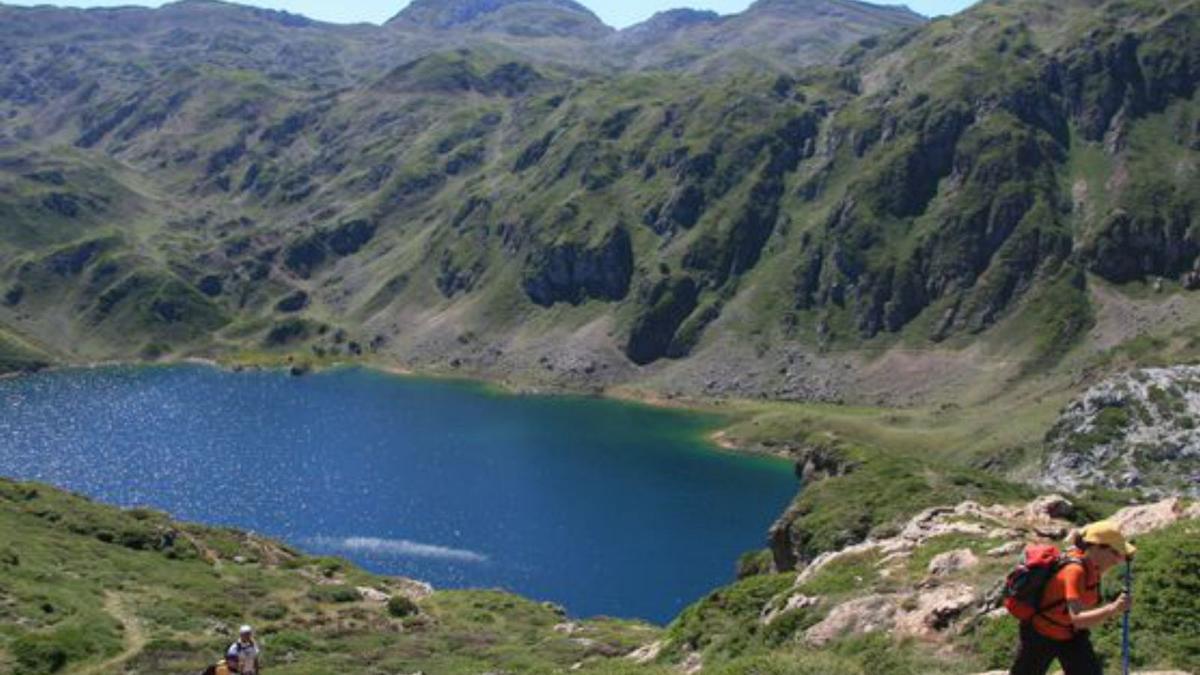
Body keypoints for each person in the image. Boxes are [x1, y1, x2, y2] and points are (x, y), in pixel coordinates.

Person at [1010, 520, 1135, 675]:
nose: (1117, 560)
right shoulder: (1074, 571)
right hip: (1041, 634)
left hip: (1070, 635)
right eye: (1115, 553)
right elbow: (1078, 619)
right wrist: (1113, 608)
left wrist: (1126, 555)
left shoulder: (1093, 567)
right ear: (1096, 548)